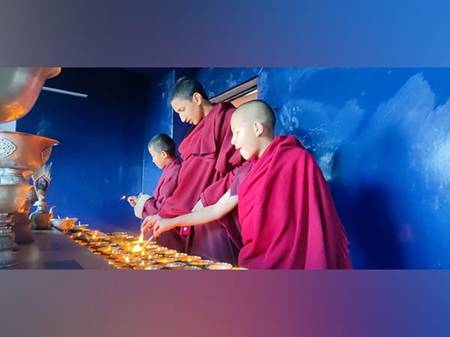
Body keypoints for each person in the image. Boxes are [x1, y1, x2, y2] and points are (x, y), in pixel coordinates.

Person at [145, 100, 352, 269]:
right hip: (257, 262)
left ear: (256, 128)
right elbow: (216, 210)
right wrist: (171, 222)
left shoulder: (298, 161)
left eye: (236, 133)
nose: (233, 142)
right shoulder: (247, 172)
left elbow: (317, 223)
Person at [141, 77, 244, 263]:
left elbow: (238, 171)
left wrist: (209, 196)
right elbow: (189, 182)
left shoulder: (229, 119)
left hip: (219, 215)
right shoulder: (196, 133)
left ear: (197, 99)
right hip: (196, 214)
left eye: (182, 110)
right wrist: (163, 213)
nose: (182, 118)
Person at [127, 133, 184, 250]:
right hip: (165, 227)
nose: (153, 160)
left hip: (172, 231)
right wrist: (139, 203)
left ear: (163, 154)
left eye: (153, 156)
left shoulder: (175, 171)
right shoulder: (170, 168)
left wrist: (143, 203)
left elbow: (161, 208)